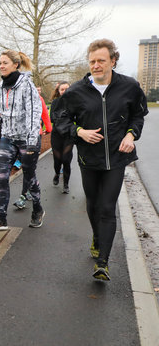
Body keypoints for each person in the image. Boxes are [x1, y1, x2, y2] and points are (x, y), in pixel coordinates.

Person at [56, 39, 148, 281]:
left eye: (101, 61)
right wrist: (80, 132)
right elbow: (61, 120)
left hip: (117, 159)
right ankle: (97, 237)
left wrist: (131, 134)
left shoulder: (129, 87)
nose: (96, 65)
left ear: (113, 61)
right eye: (92, 61)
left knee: (107, 207)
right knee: (93, 204)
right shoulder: (76, 91)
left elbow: (138, 116)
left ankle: (102, 262)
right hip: (89, 159)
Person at [0, 50, 43, 232]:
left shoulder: (27, 85)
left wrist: (33, 139)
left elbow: (35, 113)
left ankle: (38, 208)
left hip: (27, 139)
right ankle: (1, 218)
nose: (1, 66)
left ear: (15, 65)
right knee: (1, 177)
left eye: (5, 63)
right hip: (7, 138)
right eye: (0, 62)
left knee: (29, 175)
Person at [12, 87, 52, 209]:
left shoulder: (37, 99)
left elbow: (45, 114)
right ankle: (29, 191)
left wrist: (48, 128)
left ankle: (23, 196)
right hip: (21, 137)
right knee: (27, 168)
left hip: (33, 137)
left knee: (28, 167)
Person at [49, 81, 73, 193]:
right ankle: (57, 173)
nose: (65, 91)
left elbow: (76, 118)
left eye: (67, 88)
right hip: (56, 135)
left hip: (68, 135)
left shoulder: (74, 102)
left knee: (66, 159)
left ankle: (66, 184)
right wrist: (63, 117)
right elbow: (52, 119)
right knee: (57, 159)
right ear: (58, 91)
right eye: (62, 89)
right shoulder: (55, 102)